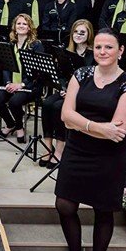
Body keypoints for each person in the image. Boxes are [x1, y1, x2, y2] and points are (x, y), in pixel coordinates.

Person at [52, 28, 126, 251]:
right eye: (98, 47)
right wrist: (97, 127)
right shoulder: (81, 75)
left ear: (120, 51)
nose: (102, 52)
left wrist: (82, 124)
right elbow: (65, 116)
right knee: (64, 205)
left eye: (109, 47)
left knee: (103, 211)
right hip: (77, 150)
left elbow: (118, 132)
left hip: (109, 156)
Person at [41, 20, 94, 168]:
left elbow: (91, 80)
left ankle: (60, 149)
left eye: (82, 32)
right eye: (76, 32)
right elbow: (61, 74)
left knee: (58, 107)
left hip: (83, 93)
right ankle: (47, 147)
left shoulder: (92, 54)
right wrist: (64, 87)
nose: (78, 35)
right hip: (68, 90)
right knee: (46, 103)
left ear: (89, 34)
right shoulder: (66, 51)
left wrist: (72, 91)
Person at [0, 14, 44, 144]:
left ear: (29, 27)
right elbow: (5, 67)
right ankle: (11, 124)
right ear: (14, 27)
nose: (21, 26)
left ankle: (20, 127)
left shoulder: (36, 45)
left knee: (14, 102)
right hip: (12, 83)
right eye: (18, 24)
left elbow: (38, 73)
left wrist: (21, 85)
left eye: (24, 24)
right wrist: (8, 83)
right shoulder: (10, 44)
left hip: (30, 86)